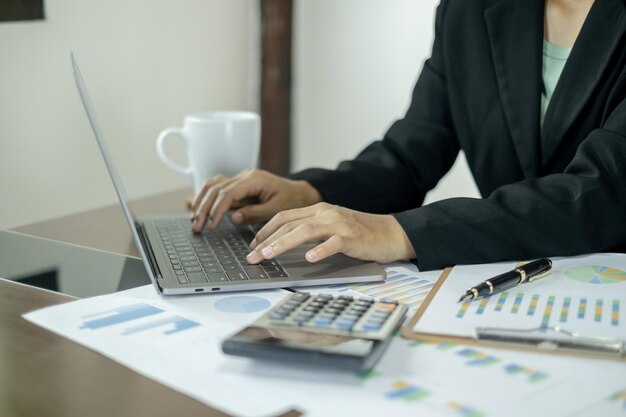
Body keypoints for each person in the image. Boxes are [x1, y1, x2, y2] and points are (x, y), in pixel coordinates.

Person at [190, 0, 626, 271]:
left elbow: (603, 190)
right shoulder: (468, 11)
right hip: (511, 284)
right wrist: (306, 190)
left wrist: (403, 232)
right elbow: (409, 154)